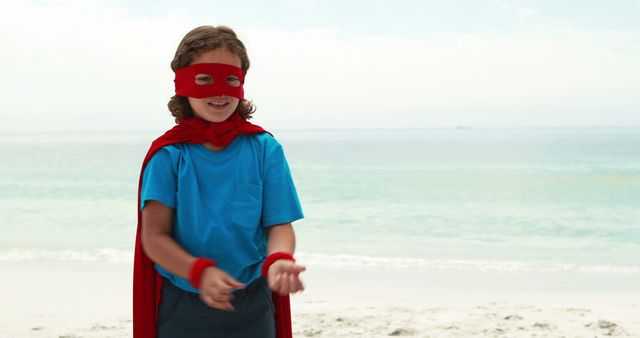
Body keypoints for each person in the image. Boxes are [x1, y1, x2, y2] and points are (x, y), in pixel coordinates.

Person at [132, 25, 306, 338]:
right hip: (183, 303)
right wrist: (198, 272)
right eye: (204, 78)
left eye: (230, 78)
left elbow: (279, 224)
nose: (220, 90)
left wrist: (280, 258)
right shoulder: (169, 155)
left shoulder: (264, 149)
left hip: (252, 300)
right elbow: (154, 236)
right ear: (182, 83)